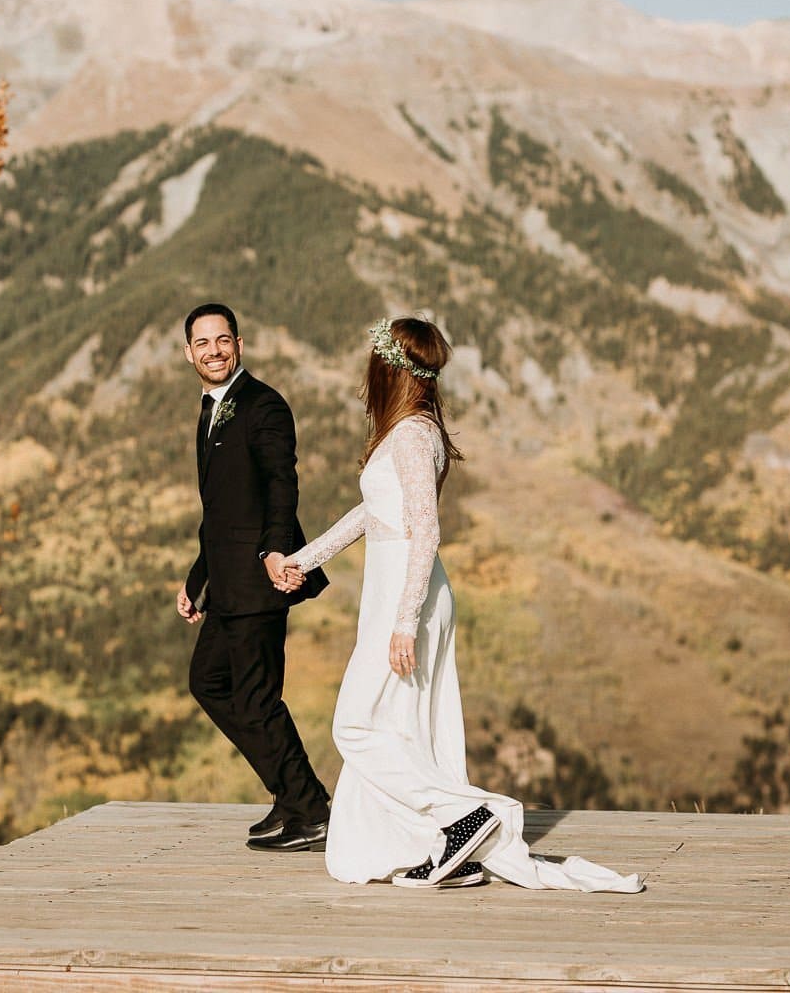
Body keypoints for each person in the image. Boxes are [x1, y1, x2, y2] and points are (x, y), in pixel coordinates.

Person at [278, 315, 643, 891]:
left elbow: (425, 531)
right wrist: (304, 559)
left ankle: (462, 816)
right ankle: (451, 849)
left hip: (407, 591)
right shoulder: (415, 430)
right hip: (405, 590)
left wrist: (403, 621)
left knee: (353, 724)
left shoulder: (407, 436)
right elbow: (373, 516)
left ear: (388, 369)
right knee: (402, 727)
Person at [177, 302, 334, 852]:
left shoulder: (264, 405)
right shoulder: (211, 408)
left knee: (258, 699)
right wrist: (197, 579)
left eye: (223, 341)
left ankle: (311, 810)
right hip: (225, 582)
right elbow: (218, 509)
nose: (213, 351)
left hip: (259, 580)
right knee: (209, 682)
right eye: (202, 343)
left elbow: (280, 486)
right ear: (189, 352)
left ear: (239, 345)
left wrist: (275, 552)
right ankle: (291, 795)